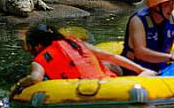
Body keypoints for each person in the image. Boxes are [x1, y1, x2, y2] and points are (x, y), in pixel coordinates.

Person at [12, 24, 156, 93]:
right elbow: (111, 56)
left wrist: (19, 85)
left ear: (37, 46)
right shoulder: (77, 44)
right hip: (110, 87)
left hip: (77, 94)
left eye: (30, 47)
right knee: (110, 65)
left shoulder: (39, 60)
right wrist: (142, 70)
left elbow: (36, 78)